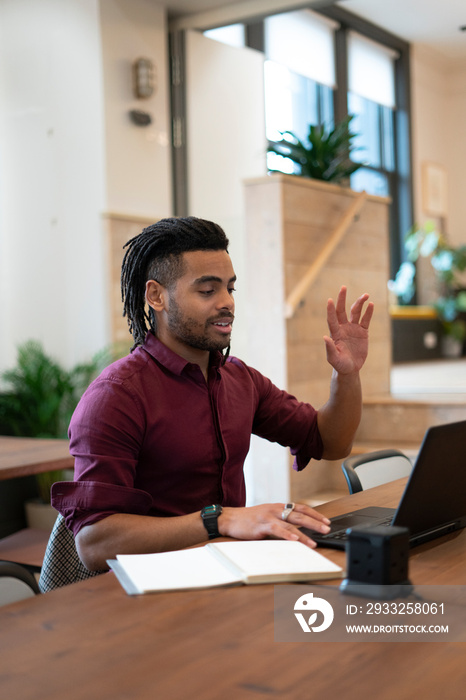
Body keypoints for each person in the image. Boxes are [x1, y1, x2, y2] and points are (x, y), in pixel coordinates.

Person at [51, 216, 374, 572]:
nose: (226, 303)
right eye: (207, 290)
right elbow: (95, 543)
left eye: (230, 288)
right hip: (148, 590)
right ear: (157, 296)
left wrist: (347, 375)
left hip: (228, 571)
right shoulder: (116, 397)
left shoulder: (239, 379)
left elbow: (330, 442)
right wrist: (217, 520)